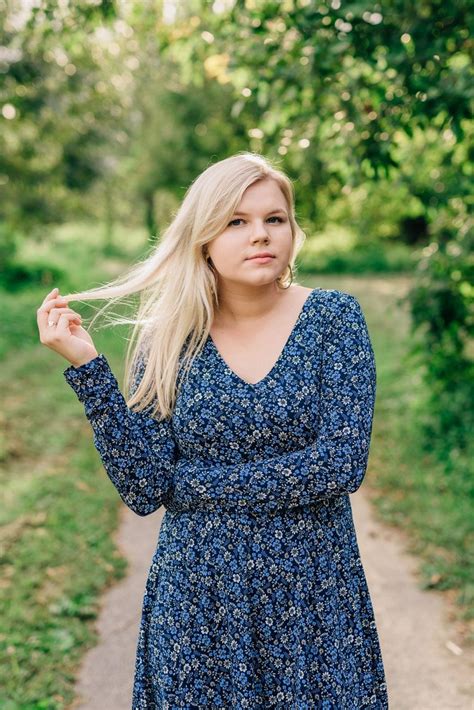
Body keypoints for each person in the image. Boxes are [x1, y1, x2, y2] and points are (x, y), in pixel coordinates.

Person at [37, 152, 389, 708]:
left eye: (275, 219)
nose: (261, 236)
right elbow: (146, 487)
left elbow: (341, 463)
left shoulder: (334, 321)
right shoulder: (167, 338)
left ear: (294, 230)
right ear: (203, 238)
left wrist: (195, 486)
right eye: (236, 221)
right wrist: (89, 371)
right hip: (199, 601)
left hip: (315, 595)